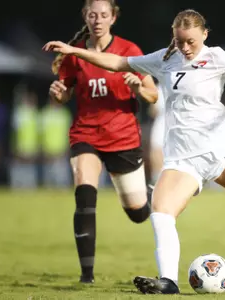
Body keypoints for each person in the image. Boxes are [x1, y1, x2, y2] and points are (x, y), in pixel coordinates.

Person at [43, 8, 225, 294]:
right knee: (161, 209)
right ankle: (168, 281)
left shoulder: (218, 58)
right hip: (182, 161)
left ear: (204, 34)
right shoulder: (165, 59)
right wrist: (74, 50)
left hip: (218, 153)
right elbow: (118, 62)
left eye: (191, 41)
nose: (185, 47)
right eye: (180, 41)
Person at [47, 0, 158, 284]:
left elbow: (153, 95)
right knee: (84, 191)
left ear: (113, 18)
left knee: (137, 214)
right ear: (85, 17)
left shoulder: (129, 50)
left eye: (103, 15)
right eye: (92, 14)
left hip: (123, 138)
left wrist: (138, 87)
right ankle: (87, 276)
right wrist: (58, 93)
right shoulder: (75, 55)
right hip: (86, 135)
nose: (97, 20)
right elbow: (64, 96)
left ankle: (153, 194)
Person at [147, 82, 166, 186]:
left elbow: (152, 111)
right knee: (156, 152)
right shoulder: (159, 87)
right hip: (161, 123)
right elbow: (153, 111)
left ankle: (158, 179)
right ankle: (157, 179)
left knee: (157, 152)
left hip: (165, 123)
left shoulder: (160, 87)